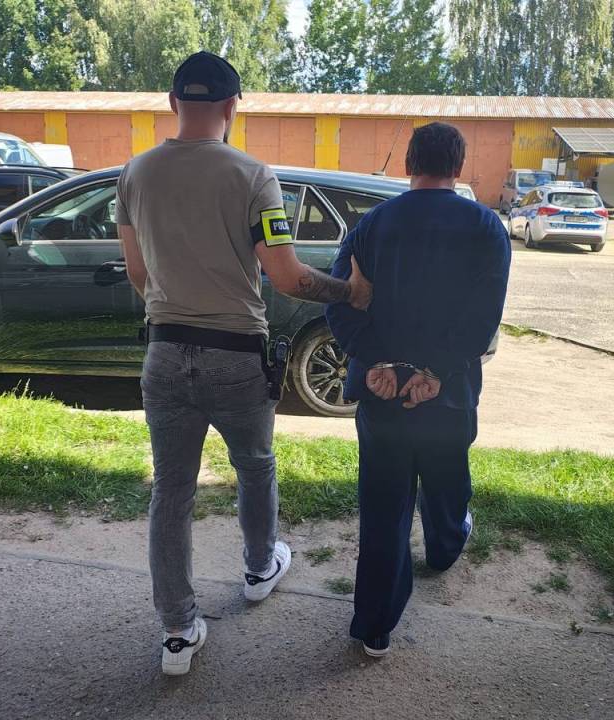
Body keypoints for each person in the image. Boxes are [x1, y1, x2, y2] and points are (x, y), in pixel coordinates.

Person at [116, 51, 372, 676]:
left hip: (164, 351)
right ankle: (260, 569)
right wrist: (350, 292)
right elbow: (287, 277)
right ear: (233, 106)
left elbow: (138, 274)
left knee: (171, 490)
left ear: (172, 103)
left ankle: (178, 631)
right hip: (236, 356)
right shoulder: (254, 176)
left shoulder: (134, 174)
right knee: (254, 465)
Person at [326, 122, 511, 657]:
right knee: (448, 478)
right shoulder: (486, 227)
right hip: (448, 394)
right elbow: (484, 318)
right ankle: (445, 546)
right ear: (458, 167)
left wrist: (376, 359)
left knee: (383, 507)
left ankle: (374, 628)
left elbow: (339, 300)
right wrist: (436, 372)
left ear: (409, 164)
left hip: (381, 392)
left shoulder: (371, 225)